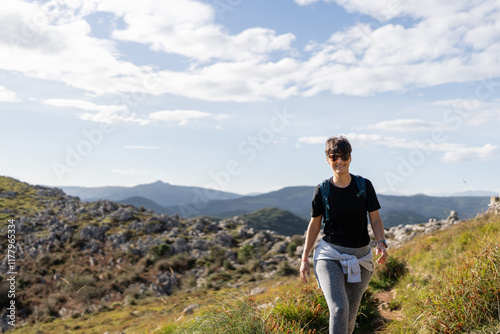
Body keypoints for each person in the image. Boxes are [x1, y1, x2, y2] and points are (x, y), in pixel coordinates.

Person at [300, 135, 388, 334]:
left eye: (343, 156)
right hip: (330, 255)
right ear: (328, 159)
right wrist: (305, 258)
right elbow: (314, 224)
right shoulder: (322, 190)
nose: (339, 161)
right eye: (334, 157)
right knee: (339, 309)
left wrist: (381, 242)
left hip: (361, 258)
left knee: (349, 314)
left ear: (350, 157)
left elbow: (375, 219)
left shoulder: (364, 186)